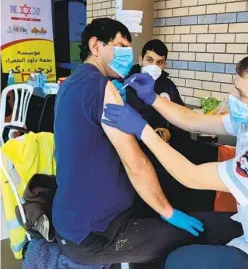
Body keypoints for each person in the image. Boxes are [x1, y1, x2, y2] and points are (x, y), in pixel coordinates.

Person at [103, 51, 248, 268]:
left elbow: (192, 176)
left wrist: (143, 129)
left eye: (242, 95)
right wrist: (153, 99)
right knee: (183, 231)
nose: (233, 100)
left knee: (179, 262)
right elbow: (195, 121)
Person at [53, 18, 233, 266]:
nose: (127, 55)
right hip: (99, 233)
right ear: (95, 46)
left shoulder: (70, 83)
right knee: (205, 230)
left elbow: (191, 119)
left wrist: (151, 100)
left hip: (71, 220)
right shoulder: (102, 88)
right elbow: (136, 163)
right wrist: (168, 212)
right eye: (120, 45)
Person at [123, 39, 217, 217]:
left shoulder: (168, 86)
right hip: (134, 148)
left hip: (163, 150)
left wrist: (169, 131)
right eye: (150, 60)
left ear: (165, 64)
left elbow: (181, 116)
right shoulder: (127, 83)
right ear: (141, 59)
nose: (154, 66)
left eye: (159, 62)